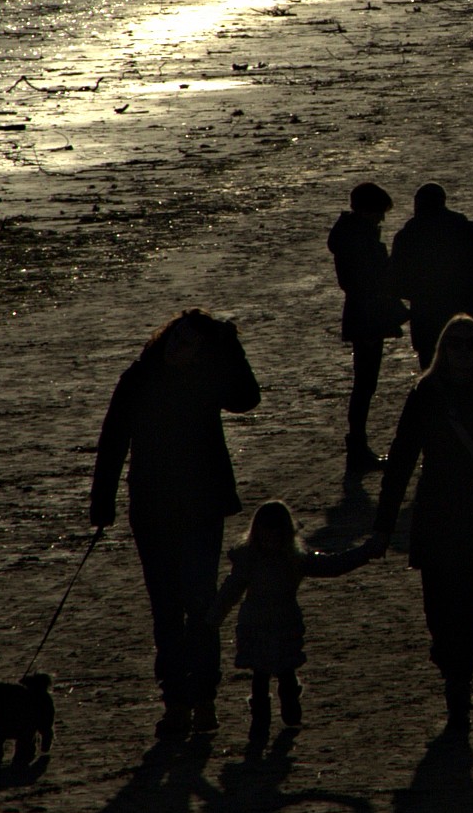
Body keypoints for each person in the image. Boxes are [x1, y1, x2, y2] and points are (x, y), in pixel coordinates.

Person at [89, 310, 261, 739]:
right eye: (174, 338)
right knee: (166, 610)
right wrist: (102, 502)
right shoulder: (139, 378)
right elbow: (113, 440)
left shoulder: (208, 379)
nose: (175, 347)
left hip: (202, 508)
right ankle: (175, 703)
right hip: (151, 509)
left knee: (200, 605)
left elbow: (248, 396)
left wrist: (229, 343)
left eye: (186, 343)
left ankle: (203, 699)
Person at [371, 315, 473, 736]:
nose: (462, 351)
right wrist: (384, 525)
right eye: (455, 344)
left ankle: (459, 684)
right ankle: (450, 661)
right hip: (437, 512)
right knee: (437, 607)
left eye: (470, 344)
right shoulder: (426, 394)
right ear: (443, 349)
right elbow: (401, 458)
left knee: (465, 604)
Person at [215, 499, 377, 734]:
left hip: (279, 624)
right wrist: (214, 617)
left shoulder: (283, 560)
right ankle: (262, 719)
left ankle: (284, 712)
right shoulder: (257, 561)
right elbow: (230, 591)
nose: (270, 542)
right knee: (262, 676)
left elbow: (333, 566)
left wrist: (365, 553)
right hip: (259, 625)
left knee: (283, 672)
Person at [328, 181, 405, 471]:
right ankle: (357, 448)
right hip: (367, 314)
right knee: (365, 384)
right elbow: (366, 280)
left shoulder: (352, 235)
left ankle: (358, 447)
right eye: (379, 212)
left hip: (364, 312)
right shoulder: (357, 238)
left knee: (365, 384)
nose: (382, 218)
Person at [390, 182, 473, 368]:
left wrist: (421, 293)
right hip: (470, 315)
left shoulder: (406, 237)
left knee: (434, 380)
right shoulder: (467, 229)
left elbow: (395, 282)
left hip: (427, 320)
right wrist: (467, 287)